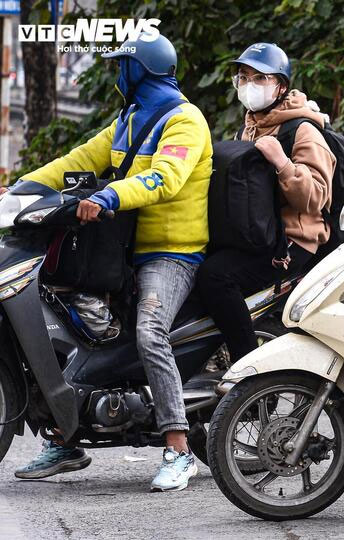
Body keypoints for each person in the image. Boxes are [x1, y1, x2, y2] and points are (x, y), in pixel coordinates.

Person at [13, 33, 213, 492]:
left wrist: (108, 195)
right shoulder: (130, 118)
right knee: (71, 323)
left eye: (122, 66)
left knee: (149, 329)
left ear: (139, 69)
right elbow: (78, 158)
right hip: (125, 251)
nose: (117, 74)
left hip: (171, 253)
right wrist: (18, 190)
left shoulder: (185, 121)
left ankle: (179, 450)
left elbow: (164, 177)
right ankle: (66, 437)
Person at [197, 43, 335, 362]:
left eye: (260, 78)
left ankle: (246, 367)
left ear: (281, 86)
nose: (249, 85)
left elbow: (316, 198)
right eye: (244, 77)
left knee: (215, 276)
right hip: (258, 234)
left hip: (292, 241)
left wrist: (283, 163)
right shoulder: (251, 126)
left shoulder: (303, 131)